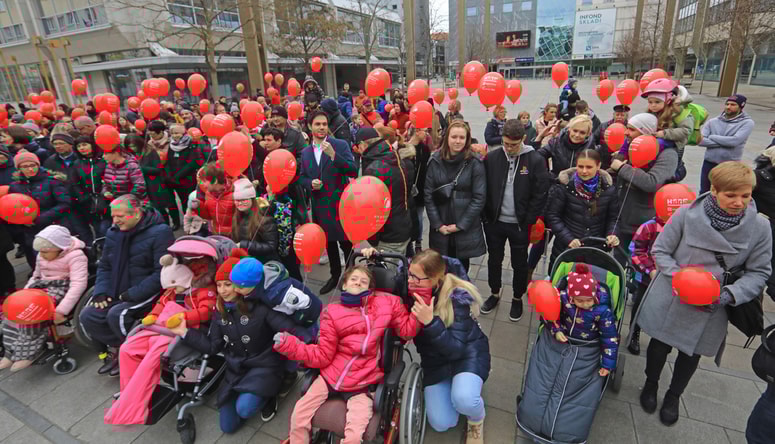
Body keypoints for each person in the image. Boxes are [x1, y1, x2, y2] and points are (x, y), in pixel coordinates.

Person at [635, 161, 772, 426]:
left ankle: (674, 395)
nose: (739, 202)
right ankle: (651, 383)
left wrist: (728, 294)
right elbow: (660, 251)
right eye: (730, 195)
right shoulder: (686, 214)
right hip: (673, 294)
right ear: (714, 190)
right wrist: (683, 280)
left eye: (745, 196)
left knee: (691, 353)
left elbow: (759, 273)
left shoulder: (760, 228)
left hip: (715, 301)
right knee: (659, 345)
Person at [274, 264, 428, 444]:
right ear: (344, 285)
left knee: (354, 436)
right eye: (353, 279)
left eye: (364, 281)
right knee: (298, 417)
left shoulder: (387, 303)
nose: (358, 283)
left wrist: (422, 302)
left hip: (363, 383)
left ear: (371, 289)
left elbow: (407, 331)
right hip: (330, 377)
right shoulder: (332, 311)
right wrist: (289, 345)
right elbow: (322, 354)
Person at [169, 251, 313, 433]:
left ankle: (272, 393)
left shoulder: (260, 308)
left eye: (228, 284)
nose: (222, 290)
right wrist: (184, 332)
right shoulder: (219, 312)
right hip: (236, 368)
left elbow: (290, 327)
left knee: (244, 409)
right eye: (219, 285)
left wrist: (314, 342)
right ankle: (252, 393)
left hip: (265, 364)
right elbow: (213, 346)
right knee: (228, 427)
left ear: (240, 285)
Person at [104, 254, 215, 425]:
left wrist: (183, 317)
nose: (174, 291)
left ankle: (134, 405)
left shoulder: (204, 290)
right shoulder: (172, 290)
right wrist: (152, 316)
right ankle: (129, 392)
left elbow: (205, 312)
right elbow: (161, 304)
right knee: (126, 349)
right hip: (161, 328)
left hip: (183, 331)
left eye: (176, 287)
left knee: (150, 359)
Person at [78, 194, 175, 376]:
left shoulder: (160, 232)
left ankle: (136, 355)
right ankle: (121, 350)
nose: (115, 221)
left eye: (120, 216)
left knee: (118, 314)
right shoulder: (113, 233)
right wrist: (101, 291)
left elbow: (162, 273)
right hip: (118, 288)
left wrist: (133, 294)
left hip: (146, 290)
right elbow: (105, 266)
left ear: (136, 214)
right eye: (113, 216)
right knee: (88, 315)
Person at [408, 249, 489, 444]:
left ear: (435, 279)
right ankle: (460, 391)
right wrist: (374, 257)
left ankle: (476, 419)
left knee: (465, 400)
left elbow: (456, 350)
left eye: (417, 278)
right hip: (435, 362)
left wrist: (430, 322)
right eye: (409, 274)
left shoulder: (456, 298)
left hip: (467, 355)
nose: (410, 281)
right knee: (442, 423)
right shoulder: (410, 289)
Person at [480, 119, 549, 321]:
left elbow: (540, 193)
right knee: (494, 260)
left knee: (520, 264)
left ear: (523, 139)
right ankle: (494, 292)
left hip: (520, 224)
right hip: (495, 222)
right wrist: (486, 217)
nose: (509, 148)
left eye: (513, 144)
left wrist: (528, 221)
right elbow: (483, 188)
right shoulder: (492, 158)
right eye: (505, 143)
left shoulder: (535, 160)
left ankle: (517, 298)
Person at [0, 226, 88, 372]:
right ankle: (10, 352)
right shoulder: (43, 255)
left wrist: (61, 310)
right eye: (40, 252)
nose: (41, 255)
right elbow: (36, 276)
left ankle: (28, 354)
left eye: (45, 252)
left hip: (60, 288)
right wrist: (24, 293)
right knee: (13, 311)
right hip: (40, 286)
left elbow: (78, 284)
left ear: (59, 247)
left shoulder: (76, 256)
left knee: (30, 314)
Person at [298, 110, 357, 294]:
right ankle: (335, 275)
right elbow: (301, 178)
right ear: (310, 126)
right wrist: (310, 184)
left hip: (341, 205)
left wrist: (334, 156)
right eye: (317, 124)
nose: (322, 127)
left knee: (346, 245)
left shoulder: (339, 145)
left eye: (324, 124)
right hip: (320, 207)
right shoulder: (306, 152)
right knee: (329, 244)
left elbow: (353, 170)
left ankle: (351, 278)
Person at [609, 113, 679, 266]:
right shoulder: (630, 147)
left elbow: (652, 182)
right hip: (622, 216)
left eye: (631, 129)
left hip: (644, 221)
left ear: (646, 132)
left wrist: (622, 167)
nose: (626, 132)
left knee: (639, 266)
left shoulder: (667, 154)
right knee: (617, 264)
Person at [424, 120, 486, 272]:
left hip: (464, 227)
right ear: (447, 138)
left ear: (467, 139)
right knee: (441, 268)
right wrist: (438, 225)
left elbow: (479, 198)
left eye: (462, 137)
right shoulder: (435, 161)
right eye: (454, 137)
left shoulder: (474, 163)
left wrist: (460, 225)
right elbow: (428, 195)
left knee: (461, 268)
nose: (458, 141)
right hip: (441, 224)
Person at [544, 148, 620, 267]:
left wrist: (612, 234)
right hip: (566, 249)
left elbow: (613, 218)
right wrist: (568, 238)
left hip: (595, 251)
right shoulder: (565, 187)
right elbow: (553, 216)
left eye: (589, 167)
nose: (584, 171)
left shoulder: (609, 189)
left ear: (598, 166)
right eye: (580, 166)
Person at [550, 264, 618, 376]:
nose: (585, 304)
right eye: (580, 301)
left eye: (589, 300)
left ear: (595, 296)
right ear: (572, 297)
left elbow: (609, 337)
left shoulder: (603, 311)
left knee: (577, 376)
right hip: (564, 338)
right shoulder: (563, 298)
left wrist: (607, 365)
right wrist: (557, 330)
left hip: (588, 345)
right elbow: (551, 316)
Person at [353, 127, 413, 254]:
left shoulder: (374, 170)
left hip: (388, 235)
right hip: (402, 225)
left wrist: (372, 238)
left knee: (388, 271)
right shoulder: (394, 156)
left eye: (359, 146)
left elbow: (372, 208)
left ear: (363, 144)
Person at [9, 151, 71, 269]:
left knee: (62, 261)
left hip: (54, 226)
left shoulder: (51, 181)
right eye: (25, 166)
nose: (30, 169)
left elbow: (65, 203)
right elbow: (13, 209)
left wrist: (40, 218)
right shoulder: (15, 186)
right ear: (19, 168)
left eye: (33, 165)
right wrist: (22, 222)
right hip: (31, 231)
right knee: (41, 262)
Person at [626, 212, 666, 355]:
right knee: (640, 306)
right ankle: (633, 333)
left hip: (670, 279)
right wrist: (650, 269)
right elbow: (636, 250)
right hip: (646, 278)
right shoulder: (649, 226)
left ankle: (658, 339)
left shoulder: (685, 226)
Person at [697, 94, 755, 194]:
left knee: (724, 192)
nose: (728, 107)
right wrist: (725, 142)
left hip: (729, 165)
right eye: (727, 104)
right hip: (709, 163)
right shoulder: (713, 121)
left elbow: (734, 141)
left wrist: (712, 137)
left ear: (741, 106)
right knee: (704, 191)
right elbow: (700, 140)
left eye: (733, 105)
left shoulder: (747, 123)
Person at [641, 81, 695, 184]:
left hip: (673, 143)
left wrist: (664, 133)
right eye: (650, 102)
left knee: (669, 162)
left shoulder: (679, 112)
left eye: (657, 102)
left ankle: (672, 175)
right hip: (656, 140)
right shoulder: (651, 111)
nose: (653, 105)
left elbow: (686, 130)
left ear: (668, 100)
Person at [100, 141, 147, 237]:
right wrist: (105, 192)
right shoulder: (109, 166)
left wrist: (125, 201)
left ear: (116, 153)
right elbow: (105, 184)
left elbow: (139, 186)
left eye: (106, 154)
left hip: (133, 205)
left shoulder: (132, 166)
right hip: (116, 205)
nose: (103, 157)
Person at [140, 120, 179, 230]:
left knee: (171, 201)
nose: (151, 136)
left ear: (161, 132)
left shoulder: (170, 142)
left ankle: (176, 221)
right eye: (150, 133)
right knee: (159, 202)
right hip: (156, 177)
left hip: (170, 175)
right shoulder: (148, 144)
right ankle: (164, 223)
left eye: (153, 133)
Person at [231, 178, 278, 263]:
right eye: (237, 200)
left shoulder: (265, 219)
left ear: (252, 199)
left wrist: (244, 245)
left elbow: (271, 246)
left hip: (264, 264)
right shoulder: (237, 217)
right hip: (246, 262)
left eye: (244, 200)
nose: (240, 203)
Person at [538, 114, 597, 179]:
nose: (577, 135)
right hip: (557, 184)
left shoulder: (591, 147)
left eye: (582, 132)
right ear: (569, 129)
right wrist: (539, 137)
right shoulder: (556, 143)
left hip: (581, 186)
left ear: (588, 134)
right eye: (575, 131)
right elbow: (537, 156)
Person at [405, 126, 433, 254]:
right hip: (408, 188)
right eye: (424, 131)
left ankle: (418, 241)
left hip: (420, 187)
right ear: (416, 132)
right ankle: (410, 241)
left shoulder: (425, 148)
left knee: (419, 217)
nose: (426, 134)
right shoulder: (405, 148)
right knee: (409, 216)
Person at [196, 162, 236, 236]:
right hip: (215, 234)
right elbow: (209, 216)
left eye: (204, 181)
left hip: (232, 237)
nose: (202, 184)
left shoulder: (235, 194)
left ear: (215, 181)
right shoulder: (208, 193)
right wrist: (198, 207)